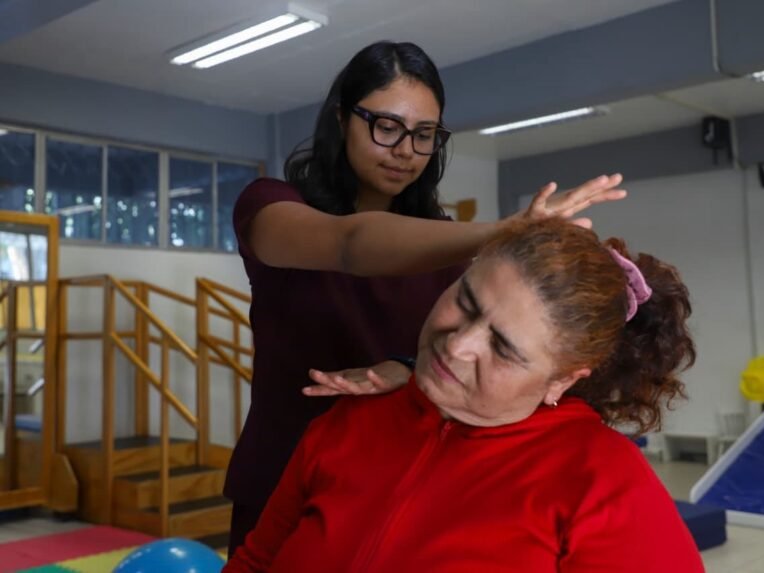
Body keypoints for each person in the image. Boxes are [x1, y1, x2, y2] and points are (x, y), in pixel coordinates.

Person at [225, 40, 626, 554]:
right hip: (282, 473)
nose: (406, 151)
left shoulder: (442, 240)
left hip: (391, 484)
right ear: (342, 118)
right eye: (386, 127)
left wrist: (406, 366)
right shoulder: (270, 205)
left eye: (424, 134)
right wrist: (504, 230)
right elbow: (350, 244)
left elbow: (453, 350)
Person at [224, 218, 704, 572]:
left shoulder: (604, 482)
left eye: (503, 347)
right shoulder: (351, 419)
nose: (457, 345)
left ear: (562, 379)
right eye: (465, 302)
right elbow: (256, 562)